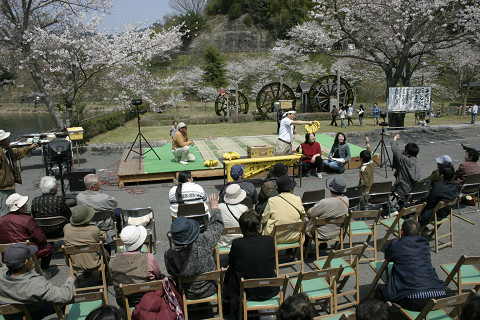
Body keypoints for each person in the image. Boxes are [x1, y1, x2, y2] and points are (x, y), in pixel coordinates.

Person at [375, 219, 447, 311]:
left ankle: (375, 313)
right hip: (438, 294)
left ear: (401, 233)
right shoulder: (424, 243)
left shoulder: (396, 245)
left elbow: (388, 256)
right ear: (419, 233)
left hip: (415, 299)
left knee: (380, 289)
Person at [164, 194, 224, 300]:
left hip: (186, 292)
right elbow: (217, 226)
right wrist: (214, 208)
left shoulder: (169, 255)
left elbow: (171, 272)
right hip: (209, 287)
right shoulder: (203, 241)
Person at [223, 210, 279, 319]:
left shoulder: (237, 243)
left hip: (245, 291)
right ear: (259, 228)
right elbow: (272, 262)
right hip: (268, 289)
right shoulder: (268, 240)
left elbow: (232, 263)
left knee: (229, 271)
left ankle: (227, 300)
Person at [0, 243, 75, 320]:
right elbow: (64, 297)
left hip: (9, 315)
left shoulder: (2, 273)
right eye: (30, 257)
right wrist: (70, 280)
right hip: (32, 312)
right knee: (63, 301)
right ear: (26, 262)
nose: (32, 259)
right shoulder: (35, 284)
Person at [111, 225, 162, 307]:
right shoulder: (149, 257)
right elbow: (158, 275)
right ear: (141, 242)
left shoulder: (116, 257)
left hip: (124, 300)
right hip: (147, 299)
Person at [0, 193, 53, 271]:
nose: (27, 205)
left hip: (7, 254)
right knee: (49, 245)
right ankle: (44, 270)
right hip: (26, 253)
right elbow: (41, 239)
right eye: (24, 204)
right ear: (20, 207)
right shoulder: (27, 220)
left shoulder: (1, 220)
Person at [0, 129, 38, 216]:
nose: (8, 139)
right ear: (1, 142)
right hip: (2, 187)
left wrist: (29, 148)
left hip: (9, 184)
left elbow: (17, 153)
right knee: (4, 209)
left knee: (13, 206)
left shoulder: (7, 150)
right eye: (6, 138)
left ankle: (12, 223)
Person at [63, 206, 108, 272]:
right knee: (106, 247)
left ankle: (85, 273)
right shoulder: (93, 230)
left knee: (80, 249)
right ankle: (104, 274)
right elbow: (104, 239)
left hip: (75, 264)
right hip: (93, 263)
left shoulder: (66, 228)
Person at [262, 175, 305, 243]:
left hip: (274, 237)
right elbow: (302, 215)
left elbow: (264, 219)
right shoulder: (297, 199)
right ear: (291, 189)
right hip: (294, 237)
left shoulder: (272, 200)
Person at [77, 173, 121, 238]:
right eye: (98, 183)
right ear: (93, 186)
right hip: (105, 223)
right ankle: (120, 232)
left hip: (88, 221)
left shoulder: (79, 197)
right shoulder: (104, 198)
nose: (100, 184)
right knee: (119, 210)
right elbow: (114, 204)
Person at [307, 176, 349, 244]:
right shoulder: (346, 199)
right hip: (337, 232)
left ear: (330, 189)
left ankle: (308, 250)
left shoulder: (325, 202)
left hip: (321, 234)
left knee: (306, 224)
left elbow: (310, 213)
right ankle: (323, 245)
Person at [391, 134, 421, 204]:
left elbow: (396, 151)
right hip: (412, 190)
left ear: (406, 152)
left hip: (402, 190)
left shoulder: (404, 160)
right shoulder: (415, 163)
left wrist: (394, 140)